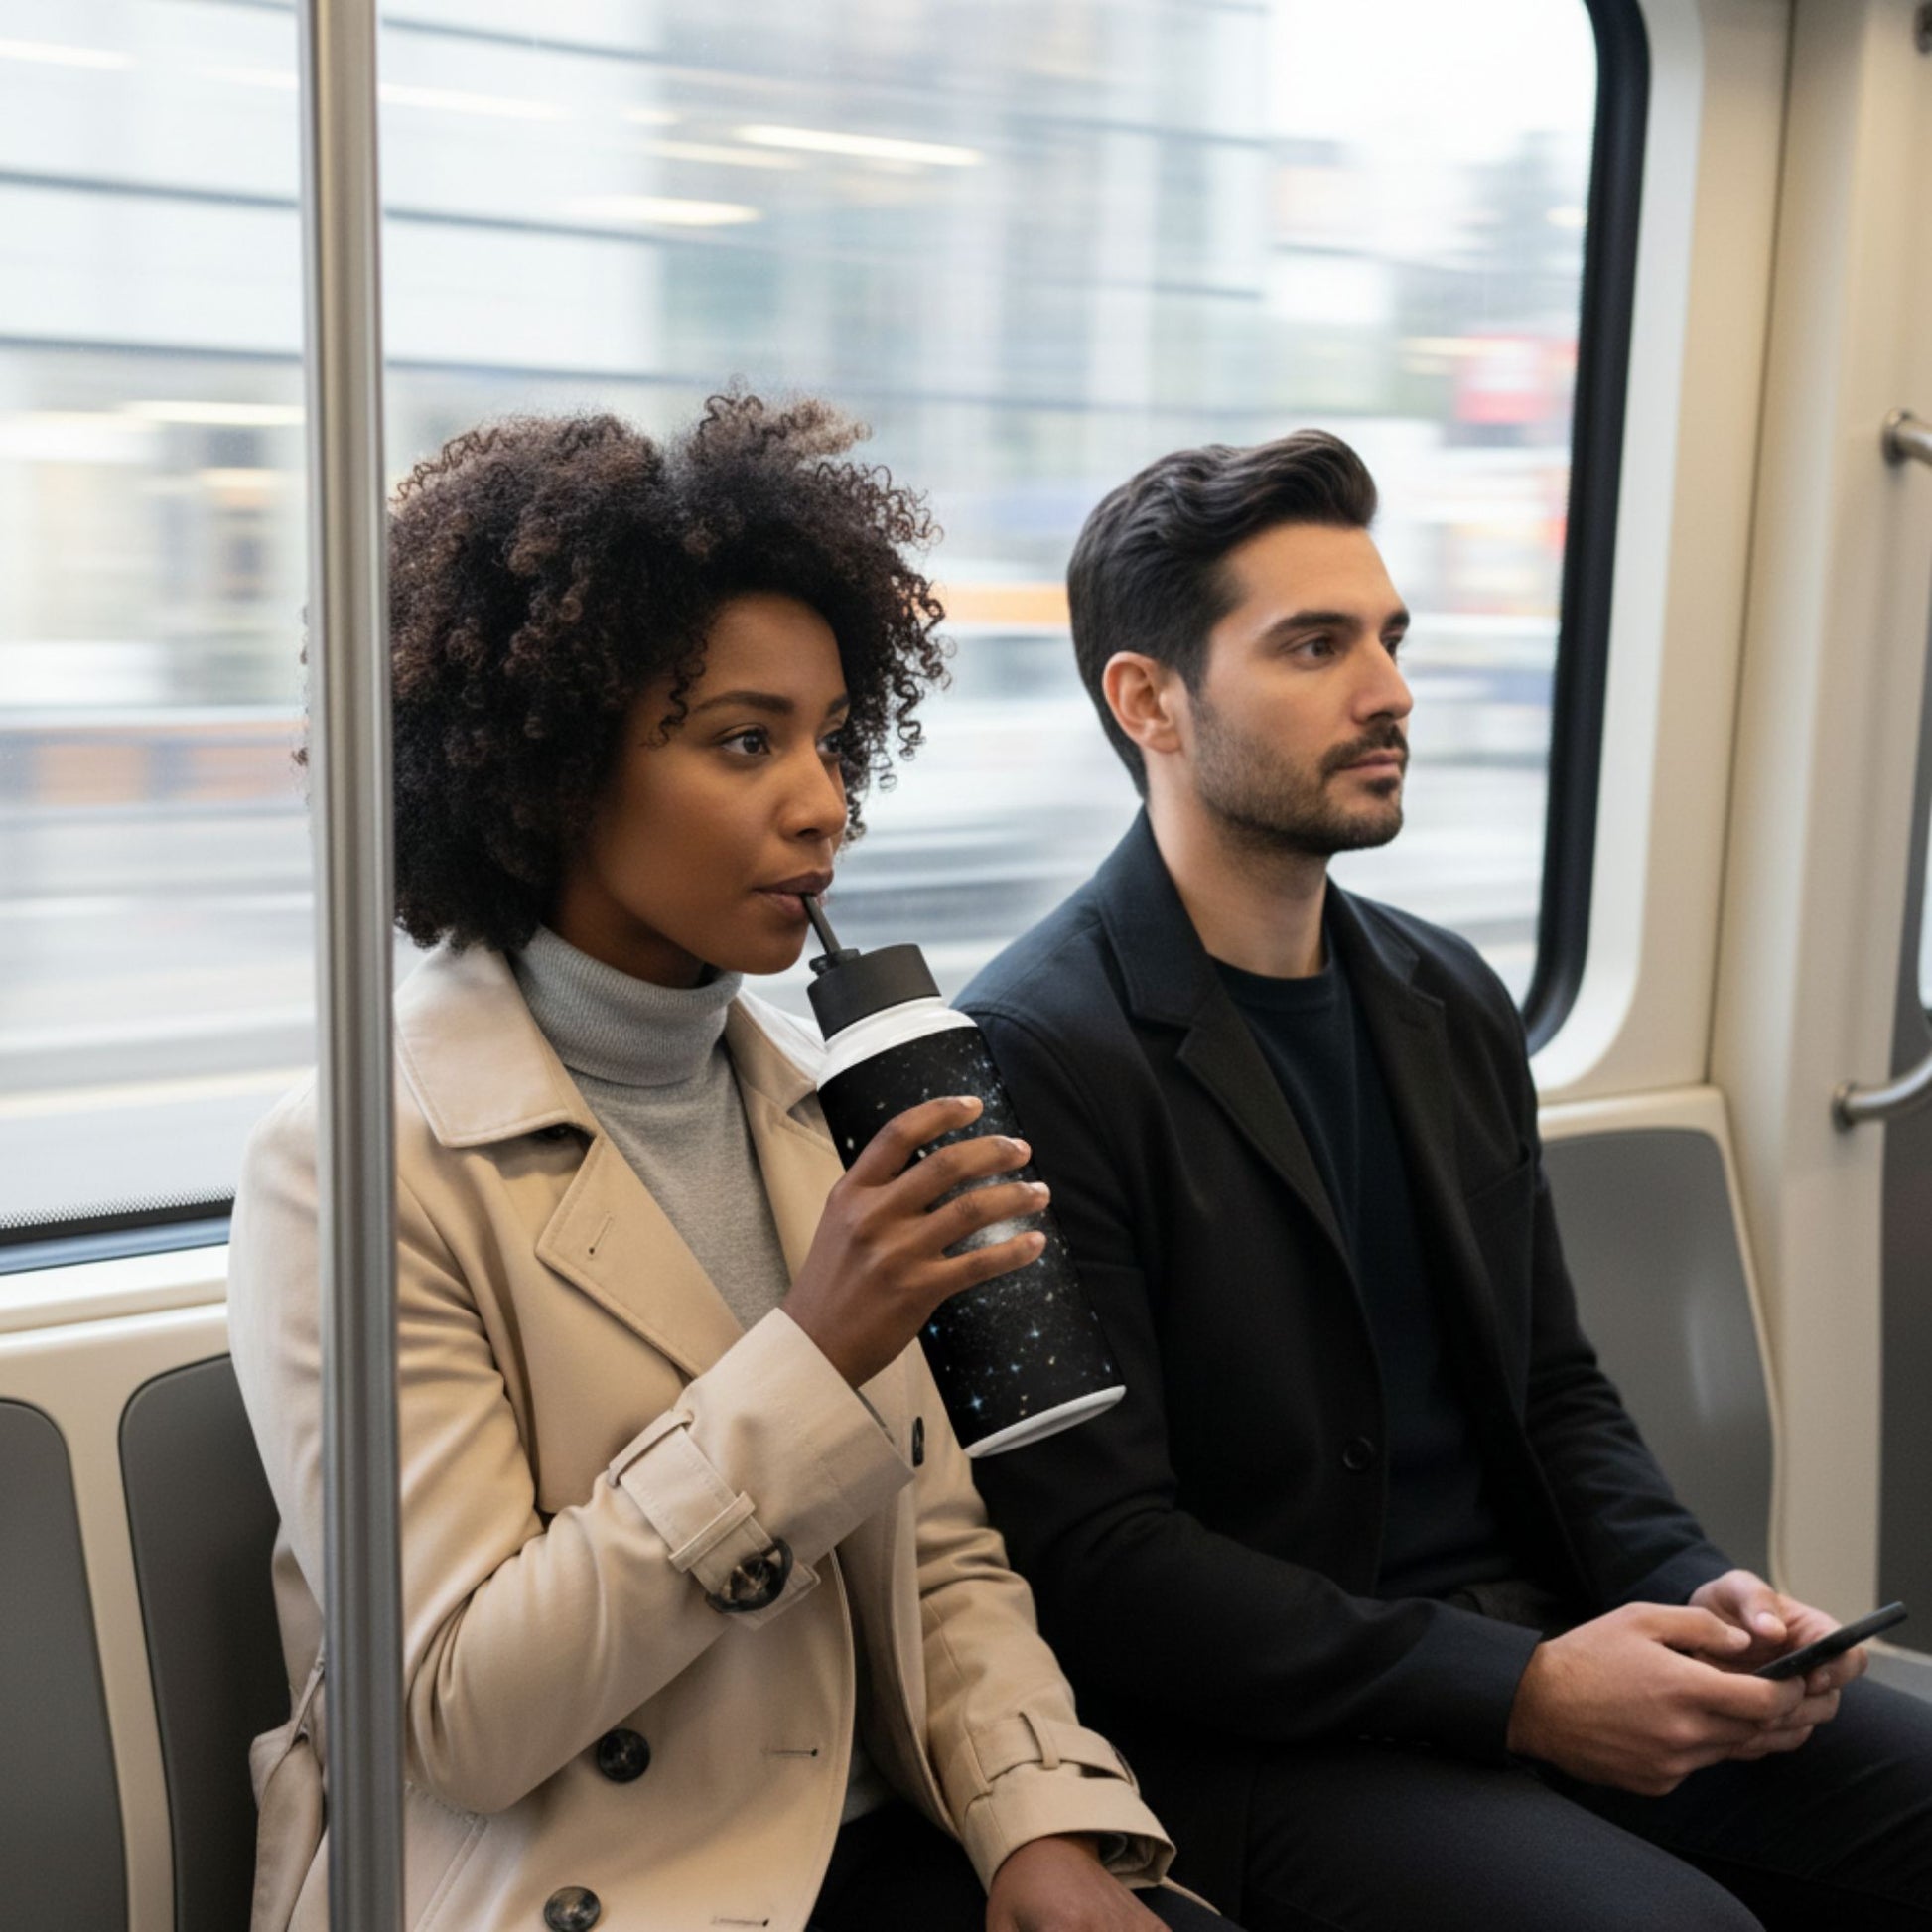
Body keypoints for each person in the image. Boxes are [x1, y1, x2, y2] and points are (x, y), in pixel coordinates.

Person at [227, 397, 1237, 1932]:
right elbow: (463, 1714)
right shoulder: (357, 1167)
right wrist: (814, 1353)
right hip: (580, 1879)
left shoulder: (815, 1099)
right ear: (550, 766)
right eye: (742, 740)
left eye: (829, 737)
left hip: (869, 1834)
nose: (822, 802)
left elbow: (942, 1560)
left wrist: (1038, 1815)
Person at [956, 429, 1932, 1932]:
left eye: (1389, 638)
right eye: (1314, 644)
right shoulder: (1032, 1056)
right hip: (1267, 1731)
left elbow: (1552, 1387)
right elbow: (1103, 1563)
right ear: (1147, 699)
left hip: (1531, 1642)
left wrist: (1705, 1589)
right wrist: (1525, 1692)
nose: (1389, 689)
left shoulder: (1442, 991)